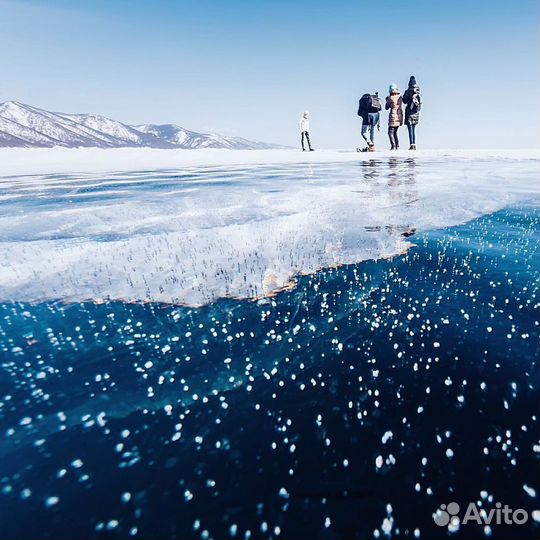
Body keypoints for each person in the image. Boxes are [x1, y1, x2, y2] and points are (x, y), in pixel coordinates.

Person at [402, 76, 422, 150]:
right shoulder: (418, 91)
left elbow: (404, 101)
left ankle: (411, 145)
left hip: (409, 112)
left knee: (410, 128)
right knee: (414, 129)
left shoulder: (408, 91)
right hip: (416, 112)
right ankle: (414, 144)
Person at [385, 83, 403, 150]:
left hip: (393, 116)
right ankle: (397, 145)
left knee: (390, 132)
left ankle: (393, 145)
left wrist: (387, 100)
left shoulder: (390, 98)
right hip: (399, 116)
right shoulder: (400, 97)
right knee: (395, 132)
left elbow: (386, 107)